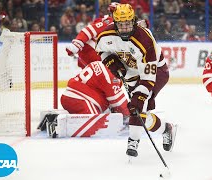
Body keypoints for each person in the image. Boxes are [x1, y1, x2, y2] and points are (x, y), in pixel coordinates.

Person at [95, 4, 177, 157]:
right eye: (121, 24)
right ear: (115, 22)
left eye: (127, 24)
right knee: (139, 112)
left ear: (133, 21)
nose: (124, 28)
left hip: (156, 73)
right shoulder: (106, 35)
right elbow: (101, 50)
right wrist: (111, 61)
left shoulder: (145, 40)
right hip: (131, 74)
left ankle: (133, 140)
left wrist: (139, 97)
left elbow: (148, 78)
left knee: (139, 106)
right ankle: (166, 128)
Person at [40, 61, 130, 138]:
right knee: (97, 125)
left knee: (104, 116)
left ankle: (56, 117)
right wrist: (132, 116)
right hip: (81, 99)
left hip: (71, 97)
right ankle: (57, 124)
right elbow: (118, 101)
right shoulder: (111, 75)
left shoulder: (100, 63)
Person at [66, 2, 119, 69]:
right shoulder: (109, 22)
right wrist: (77, 44)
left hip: (92, 54)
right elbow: (89, 30)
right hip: (92, 52)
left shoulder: (116, 24)